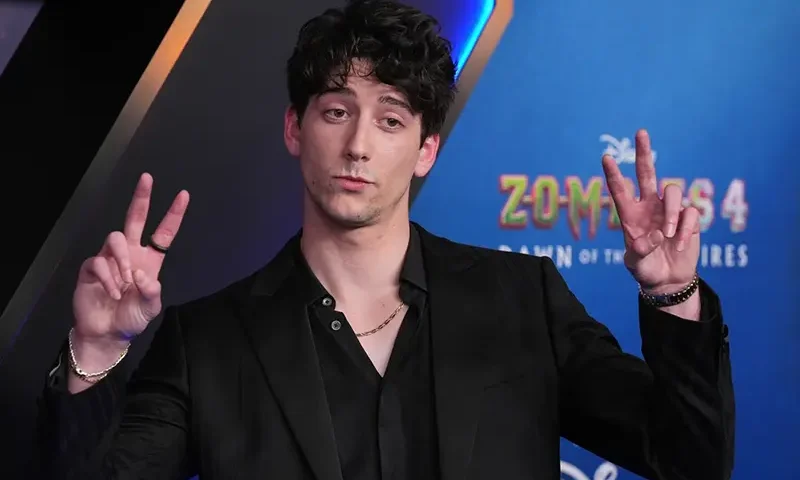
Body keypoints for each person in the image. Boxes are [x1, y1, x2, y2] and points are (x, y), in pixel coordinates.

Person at [33, 0, 735, 479]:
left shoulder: (523, 300)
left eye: (392, 120)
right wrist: (96, 351)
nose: (359, 145)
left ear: (427, 149)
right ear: (294, 129)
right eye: (336, 111)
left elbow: (689, 460)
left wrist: (673, 295)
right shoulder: (206, 341)